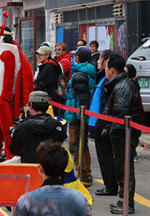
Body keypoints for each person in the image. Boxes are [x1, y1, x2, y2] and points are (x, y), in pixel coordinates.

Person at [101, 54, 143, 214]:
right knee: (122, 167)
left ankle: (127, 203)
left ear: (112, 69)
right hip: (120, 133)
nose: (105, 71)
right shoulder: (119, 84)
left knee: (125, 168)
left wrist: (111, 131)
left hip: (124, 134)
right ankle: (124, 199)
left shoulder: (123, 87)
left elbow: (121, 115)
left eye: (106, 68)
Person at [0, 26, 34, 159]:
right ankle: (7, 153)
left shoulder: (7, 54)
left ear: (2, 38)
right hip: (0, 98)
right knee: (1, 129)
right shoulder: (4, 52)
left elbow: (8, 80)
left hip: (4, 100)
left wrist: (3, 99)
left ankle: (10, 156)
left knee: (8, 130)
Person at [64, 47, 96, 187]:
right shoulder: (84, 71)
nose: (73, 58)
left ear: (78, 58)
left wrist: (79, 117)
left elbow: (82, 99)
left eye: (75, 56)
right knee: (82, 145)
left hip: (77, 116)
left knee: (75, 145)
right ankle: (85, 173)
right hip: (80, 115)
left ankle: (84, 175)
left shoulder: (80, 75)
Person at [90, 50, 118, 196]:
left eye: (100, 59)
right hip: (98, 122)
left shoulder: (108, 80)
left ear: (106, 61)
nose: (97, 62)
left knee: (106, 156)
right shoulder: (102, 77)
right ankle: (109, 184)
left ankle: (111, 186)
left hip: (102, 124)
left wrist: (102, 123)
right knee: (103, 156)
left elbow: (106, 105)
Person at [10, 91, 66, 163]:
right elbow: (59, 145)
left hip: (29, 168)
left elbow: (14, 150)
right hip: (50, 169)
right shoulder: (57, 125)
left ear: (31, 105)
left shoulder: (23, 126)